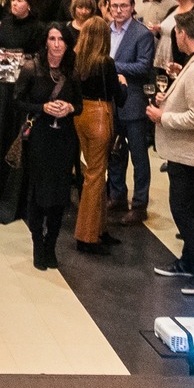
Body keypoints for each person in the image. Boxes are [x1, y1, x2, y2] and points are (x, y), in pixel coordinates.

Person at [149, 12, 194, 294]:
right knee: (187, 209)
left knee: (184, 211)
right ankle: (188, 261)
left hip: (189, 153)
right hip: (186, 152)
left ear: (182, 33)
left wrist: (162, 117)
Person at [18, 25, 82, 269]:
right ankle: (37, 242)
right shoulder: (32, 69)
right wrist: (42, 108)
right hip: (40, 138)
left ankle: (51, 244)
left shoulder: (72, 73)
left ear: (67, 44)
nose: (56, 44)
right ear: (45, 42)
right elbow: (18, 101)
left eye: (61, 40)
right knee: (39, 193)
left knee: (59, 195)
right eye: (52, 39)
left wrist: (70, 108)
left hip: (64, 139)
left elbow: (80, 105)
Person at [102, 0, 156, 223]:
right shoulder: (105, 31)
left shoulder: (142, 34)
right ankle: (117, 195)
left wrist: (112, 66)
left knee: (138, 156)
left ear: (132, 6)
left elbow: (144, 66)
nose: (118, 10)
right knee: (114, 152)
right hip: (110, 101)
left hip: (133, 103)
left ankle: (140, 204)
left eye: (123, 5)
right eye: (114, 6)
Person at [70, 18, 122, 257]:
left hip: (80, 116)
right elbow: (118, 98)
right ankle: (87, 235)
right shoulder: (105, 63)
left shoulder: (77, 60)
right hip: (100, 115)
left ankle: (99, 229)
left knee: (93, 172)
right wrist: (123, 84)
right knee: (95, 175)